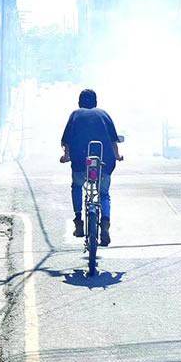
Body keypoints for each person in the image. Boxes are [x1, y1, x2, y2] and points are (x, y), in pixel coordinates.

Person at [61, 88, 122, 245]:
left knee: (77, 186)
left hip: (80, 162)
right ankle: (105, 224)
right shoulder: (104, 114)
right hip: (105, 163)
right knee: (104, 194)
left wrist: (66, 156)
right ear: (96, 102)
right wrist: (117, 156)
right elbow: (114, 141)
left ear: (79, 102)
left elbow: (66, 140)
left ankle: (79, 221)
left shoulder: (75, 114)